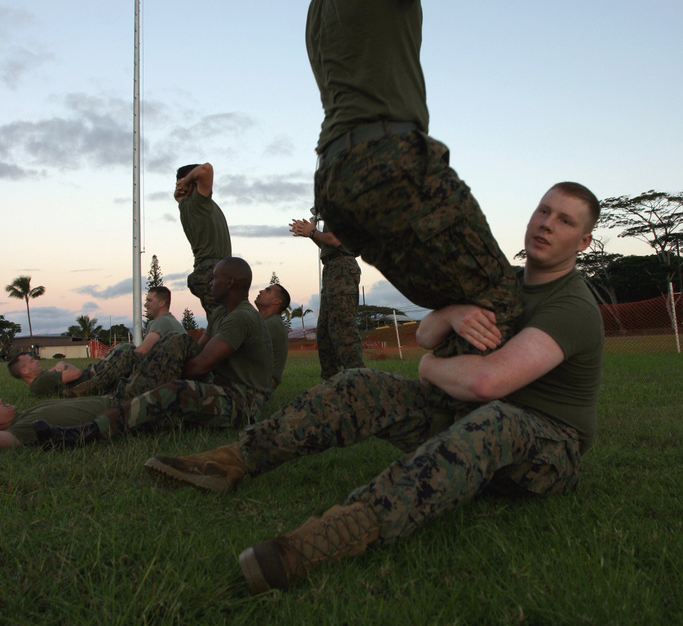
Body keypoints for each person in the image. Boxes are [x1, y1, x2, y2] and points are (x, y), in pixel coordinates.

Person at [145, 183, 604, 595]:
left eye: (564, 220)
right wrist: (454, 315)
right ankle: (229, 462)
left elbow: (488, 380)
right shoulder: (501, 282)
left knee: (497, 419)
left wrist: (428, 368)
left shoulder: (573, 305)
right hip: (465, 416)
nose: (546, 223)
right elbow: (426, 333)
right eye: (543, 211)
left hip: (543, 446)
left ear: (582, 242)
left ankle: (326, 538)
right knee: (358, 384)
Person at [308, 0, 523, 357]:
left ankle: (452, 399)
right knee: (503, 294)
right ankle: (511, 423)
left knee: (460, 299)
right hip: (388, 162)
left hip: (337, 179)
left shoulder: (321, 3)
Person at [33, 258, 274, 448]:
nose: (211, 283)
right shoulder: (221, 314)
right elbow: (193, 351)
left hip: (242, 400)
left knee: (171, 392)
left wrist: (159, 377)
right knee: (177, 341)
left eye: (215, 278)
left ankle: (87, 432)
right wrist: (162, 363)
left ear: (230, 282)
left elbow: (198, 366)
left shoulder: (241, 317)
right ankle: (132, 396)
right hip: (219, 383)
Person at [9, 287, 187, 400]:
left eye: (149, 300)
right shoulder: (40, 383)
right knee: (125, 350)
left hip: (167, 370)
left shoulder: (161, 322)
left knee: (127, 352)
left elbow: (142, 351)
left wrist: (63, 364)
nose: (146, 304)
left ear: (162, 303)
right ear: (24, 371)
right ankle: (100, 382)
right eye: (31, 361)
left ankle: (97, 384)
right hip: (171, 369)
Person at [290, 215, 364, 379]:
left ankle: (361, 382)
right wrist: (312, 234)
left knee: (343, 329)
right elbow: (329, 244)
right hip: (333, 267)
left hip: (341, 268)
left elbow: (334, 240)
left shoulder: (340, 207)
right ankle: (331, 384)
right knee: (325, 332)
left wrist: (312, 232)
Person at [175, 162, 231, 316]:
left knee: (223, 320)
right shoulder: (197, 203)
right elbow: (206, 169)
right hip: (213, 270)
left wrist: (181, 188)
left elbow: (178, 196)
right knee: (224, 322)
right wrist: (186, 181)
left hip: (211, 269)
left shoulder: (189, 204)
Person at [254, 282, 291, 390]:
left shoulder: (272, 324)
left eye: (267, 290)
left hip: (257, 390)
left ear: (276, 301)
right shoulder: (267, 322)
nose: (261, 291)